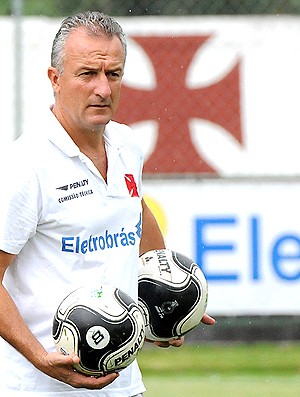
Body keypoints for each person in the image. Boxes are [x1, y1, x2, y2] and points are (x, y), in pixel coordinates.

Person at [0, 11, 215, 396]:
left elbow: (136, 211)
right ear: (54, 79)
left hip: (123, 383)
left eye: (113, 74)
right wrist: (38, 356)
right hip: (38, 387)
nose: (103, 88)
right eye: (87, 74)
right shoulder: (25, 166)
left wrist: (165, 301)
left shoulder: (127, 144)